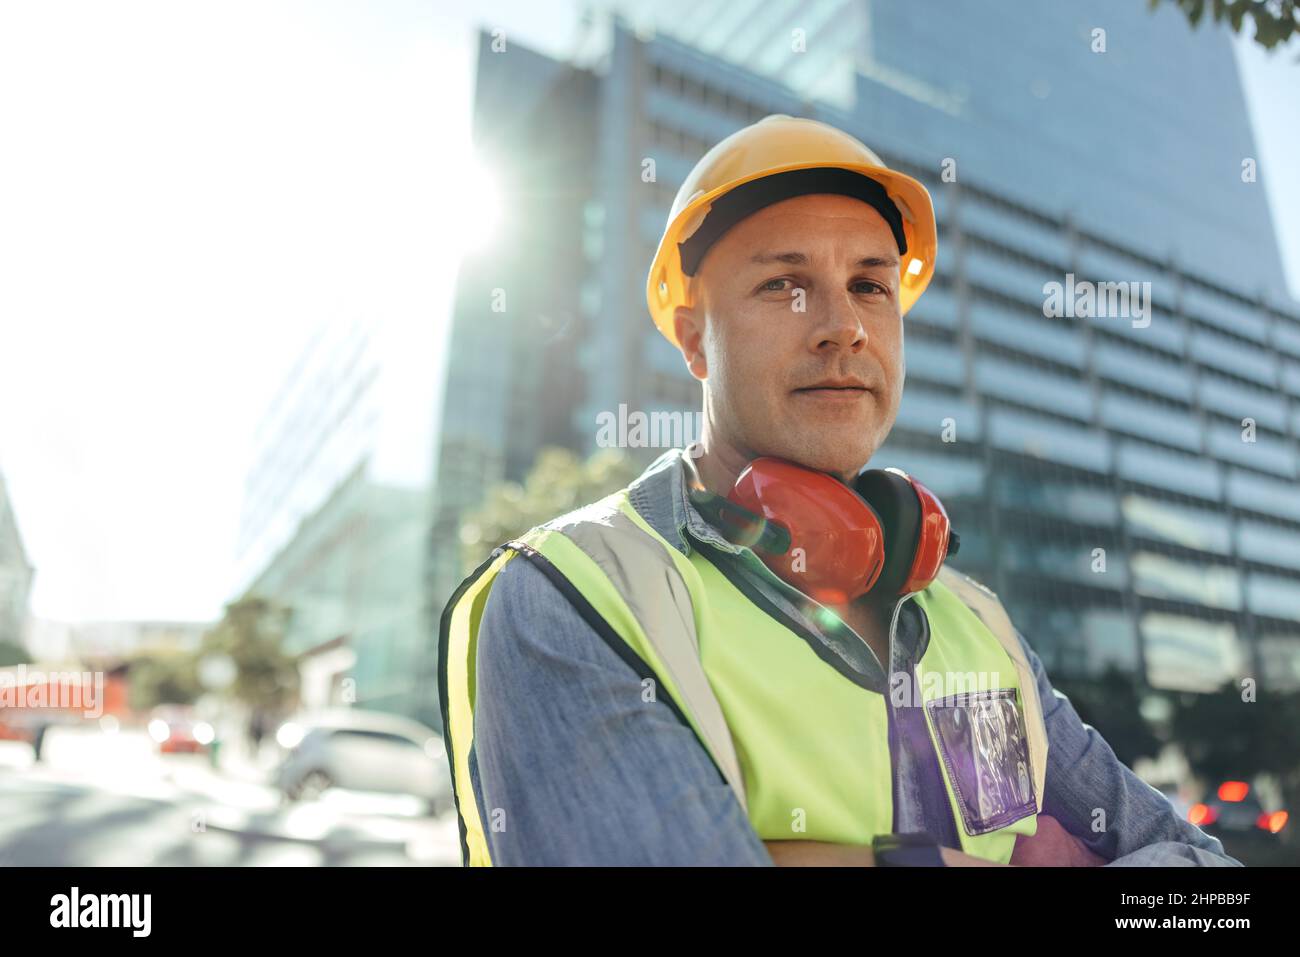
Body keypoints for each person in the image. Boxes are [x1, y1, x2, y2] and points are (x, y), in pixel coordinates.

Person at [439, 114, 1241, 867]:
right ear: (694, 338)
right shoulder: (573, 595)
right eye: (785, 285)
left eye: (869, 285)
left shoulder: (978, 627)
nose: (842, 326)